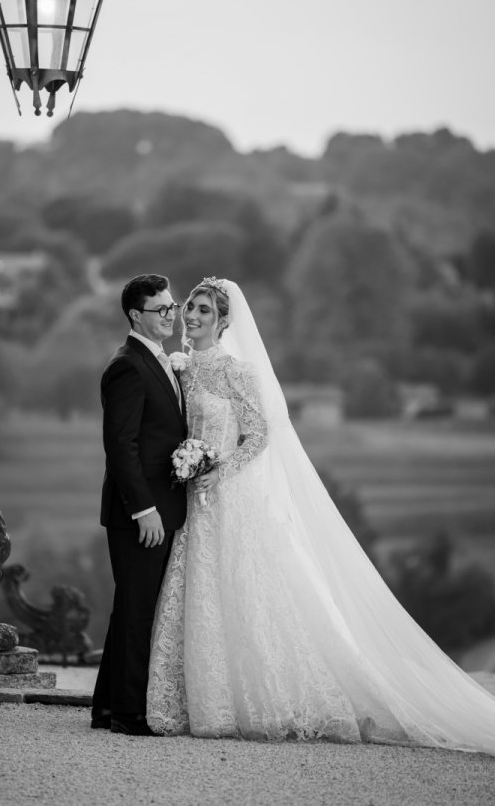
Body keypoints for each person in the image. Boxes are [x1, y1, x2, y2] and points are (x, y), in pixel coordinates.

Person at [147, 277, 495, 755]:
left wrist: (216, 471)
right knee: (199, 590)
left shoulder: (236, 372)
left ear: (225, 321)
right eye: (191, 307)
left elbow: (259, 435)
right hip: (192, 502)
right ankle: (203, 701)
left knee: (244, 591)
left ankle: (259, 700)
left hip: (226, 497)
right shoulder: (179, 367)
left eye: (205, 311)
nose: (193, 316)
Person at [91, 274, 188, 736]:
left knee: (130, 606)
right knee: (137, 610)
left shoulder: (161, 361)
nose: (171, 315)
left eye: (172, 307)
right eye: (161, 309)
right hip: (139, 514)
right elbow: (121, 445)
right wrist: (143, 509)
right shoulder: (127, 365)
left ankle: (107, 707)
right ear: (136, 315)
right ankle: (129, 715)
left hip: (161, 507)